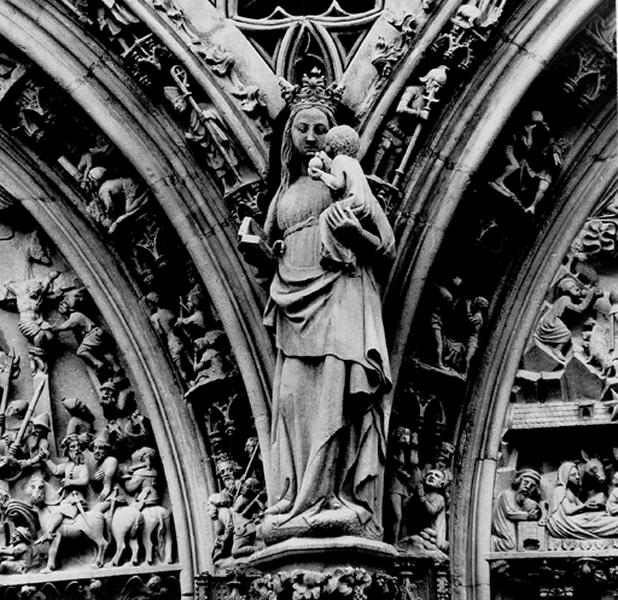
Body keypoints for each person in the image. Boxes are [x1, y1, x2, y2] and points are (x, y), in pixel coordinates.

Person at [255, 71, 395, 539]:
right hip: (292, 301)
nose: (312, 137)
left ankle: (334, 497)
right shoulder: (284, 193)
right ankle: (295, 497)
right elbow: (271, 242)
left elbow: (386, 245)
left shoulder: (346, 179)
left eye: (320, 129)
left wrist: (354, 233)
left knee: (335, 397)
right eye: (303, 128)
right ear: (289, 137)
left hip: (340, 295)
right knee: (294, 399)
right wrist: (264, 250)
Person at [308, 124, 376, 273]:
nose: (325, 147)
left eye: (327, 144)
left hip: (352, 203)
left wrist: (321, 175)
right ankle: (346, 257)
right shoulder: (352, 162)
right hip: (362, 203)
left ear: (335, 145)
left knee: (325, 217)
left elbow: (338, 185)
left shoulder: (339, 161)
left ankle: (335, 256)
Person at [491, 469, 541, 551]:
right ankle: (492, 541)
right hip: (501, 527)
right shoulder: (507, 494)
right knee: (510, 545)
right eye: (525, 483)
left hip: (512, 529)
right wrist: (528, 516)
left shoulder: (522, 500)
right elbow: (510, 513)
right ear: (518, 482)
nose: (528, 487)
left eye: (532, 487)